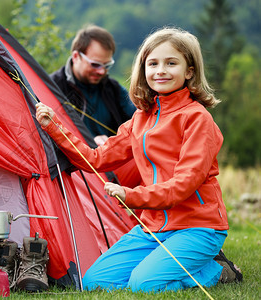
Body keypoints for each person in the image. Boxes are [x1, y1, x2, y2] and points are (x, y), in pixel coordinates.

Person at [36, 27, 242, 292]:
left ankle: (218, 270)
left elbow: (184, 184)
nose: (160, 71)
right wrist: (55, 127)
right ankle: (171, 262)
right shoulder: (140, 119)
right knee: (94, 282)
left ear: (189, 71)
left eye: (171, 63)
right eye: (152, 63)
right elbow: (95, 159)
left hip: (197, 227)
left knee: (143, 284)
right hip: (153, 226)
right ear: (143, 69)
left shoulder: (197, 119)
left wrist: (130, 195)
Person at [51, 24, 139, 187]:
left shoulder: (112, 88)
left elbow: (140, 122)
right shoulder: (52, 87)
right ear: (76, 56)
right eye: (95, 64)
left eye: (107, 66)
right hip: (73, 171)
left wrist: (114, 142)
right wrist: (89, 141)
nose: (101, 72)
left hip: (111, 166)